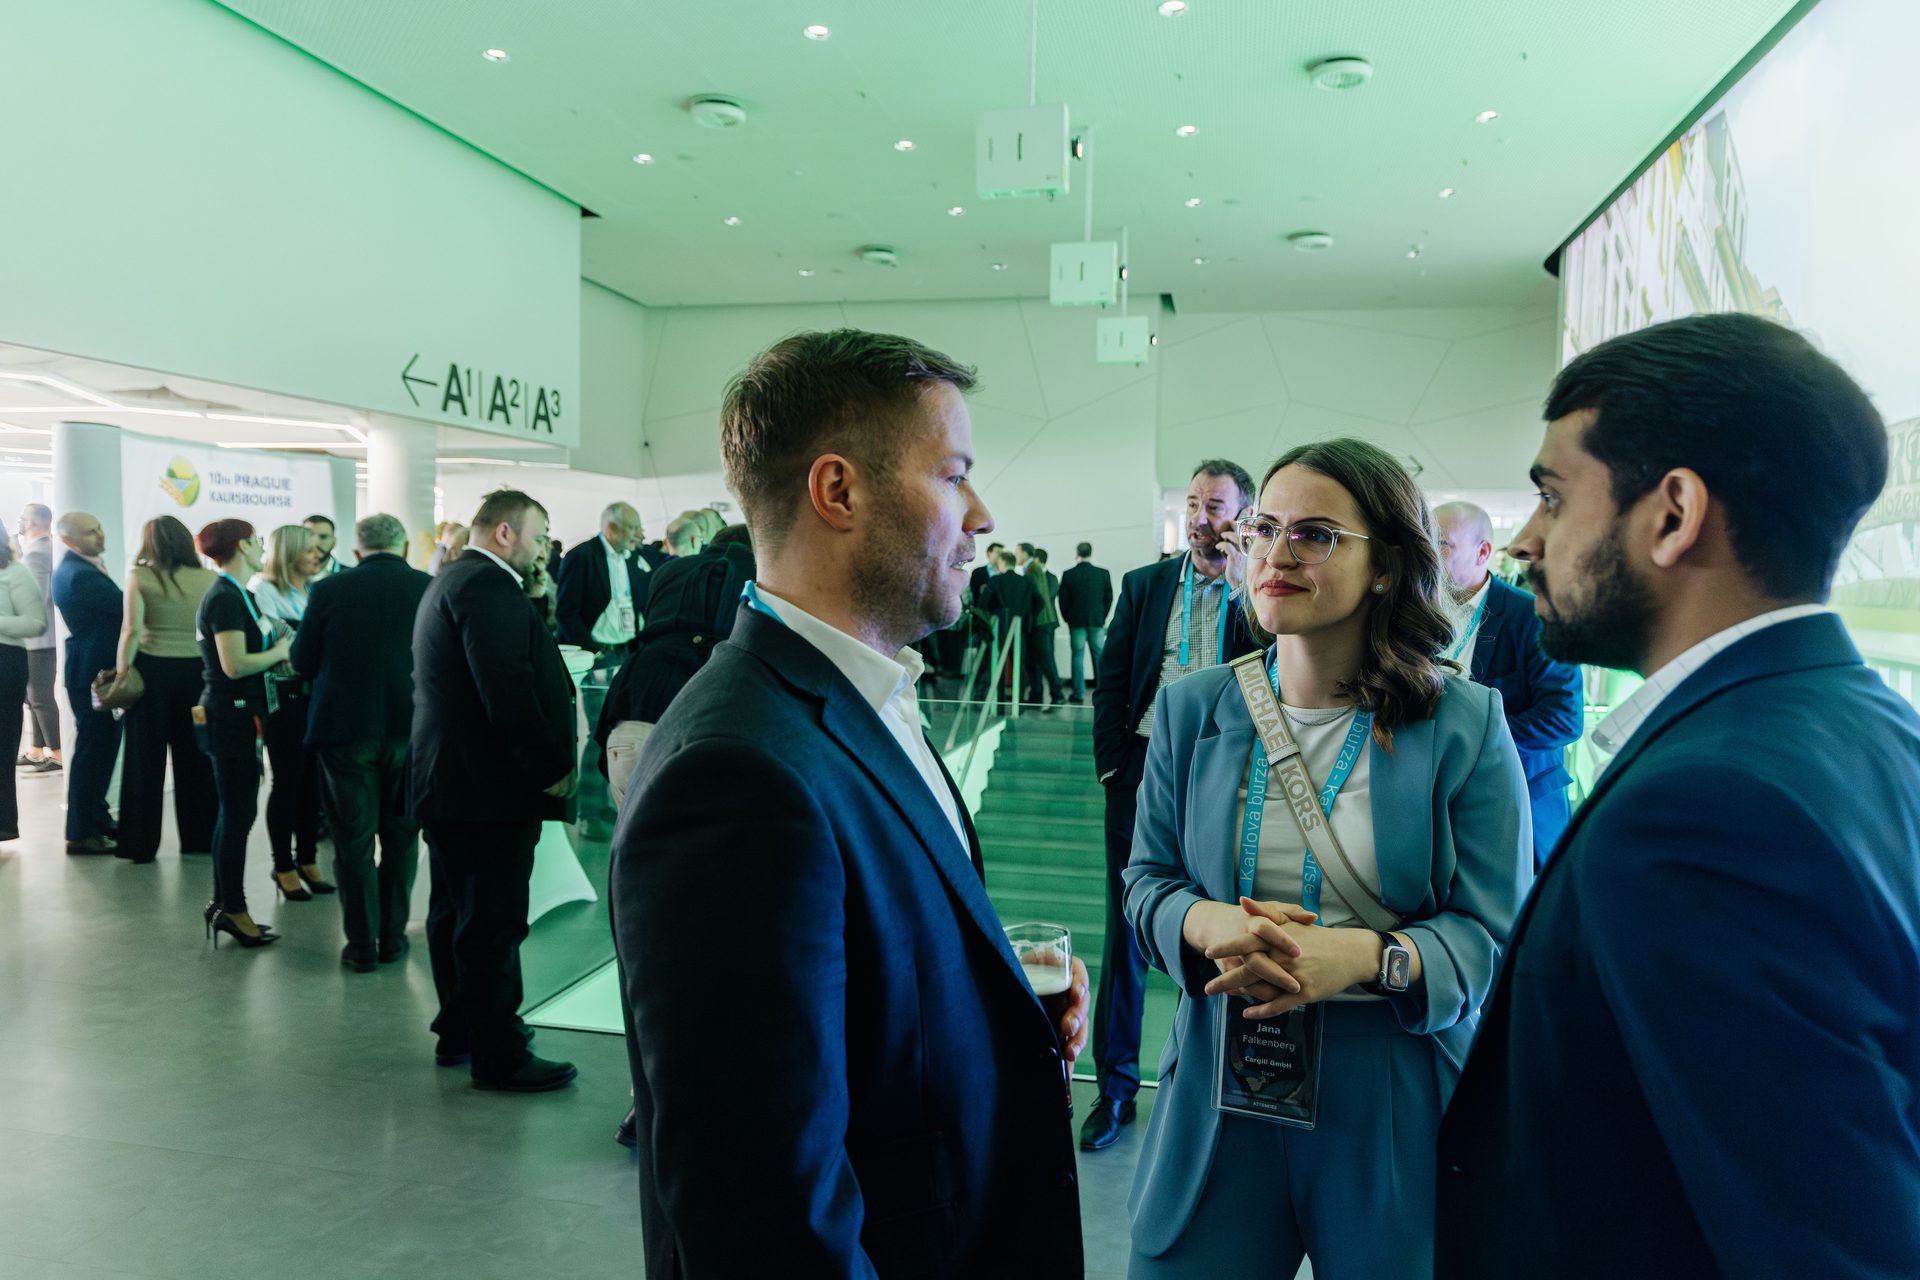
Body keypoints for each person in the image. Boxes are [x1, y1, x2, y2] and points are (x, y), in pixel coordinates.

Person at [1437, 313, 1920, 1278]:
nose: (1526, 541)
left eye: (1552, 497)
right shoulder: (1877, 729)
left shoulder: (1702, 812)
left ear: (1674, 514)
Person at [612, 329, 1088, 1274]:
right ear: (838, 491)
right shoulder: (734, 776)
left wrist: (992, 996)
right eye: (954, 476)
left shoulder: (866, 698)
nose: (982, 515)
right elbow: (764, 1211)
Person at [1120, 438, 1529, 1276]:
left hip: (1392, 1081)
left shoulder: (1463, 724)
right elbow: (1146, 882)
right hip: (1222, 1070)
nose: (1276, 554)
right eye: (1264, 529)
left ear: (1385, 566)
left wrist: (1372, 956)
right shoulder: (1192, 709)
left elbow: (1493, 935)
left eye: (1314, 535)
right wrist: (1206, 922)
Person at [1084, 458, 1262, 1150]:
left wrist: (1245, 583)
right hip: (1140, 771)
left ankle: (1221, 1087)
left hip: (1226, 779)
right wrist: (1112, 767)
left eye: (1215, 506)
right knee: (1126, 929)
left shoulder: (1256, 591)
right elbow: (1112, 680)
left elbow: (1279, 666)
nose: (1199, 518)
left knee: (1226, 927)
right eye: (1192, 504)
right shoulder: (1146, 585)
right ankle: (1115, 1090)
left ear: (1242, 517)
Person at [410, 489, 578, 1092]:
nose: (544, 548)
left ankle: (462, 1028)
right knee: (491, 923)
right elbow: (506, 688)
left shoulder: (457, 579)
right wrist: (548, 766)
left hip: (455, 785)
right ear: (506, 533)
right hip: (485, 791)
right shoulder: (487, 586)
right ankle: (499, 1053)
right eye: (540, 535)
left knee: (457, 914)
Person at [291, 514, 432, 973]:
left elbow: (302, 660)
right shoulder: (429, 588)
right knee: (402, 838)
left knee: (352, 842)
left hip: (345, 731)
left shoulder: (328, 590)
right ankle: (393, 937)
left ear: (356, 551)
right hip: (412, 730)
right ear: (405, 547)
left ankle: (360, 945)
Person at [1433, 501, 1584, 865]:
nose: (1428, 554)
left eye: (1442, 544)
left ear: (1483, 552)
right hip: (1440, 806)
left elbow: (1563, 718)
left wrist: (1473, 742)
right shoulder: (1419, 613)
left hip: (1520, 800)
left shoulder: (1533, 617)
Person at [594, 523, 754, 807]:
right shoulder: (758, 577)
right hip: (709, 718)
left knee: (630, 831)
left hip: (633, 708)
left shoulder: (667, 571)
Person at [195, 520, 292, 949]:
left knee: (236, 813)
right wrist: (280, 652)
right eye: (256, 540)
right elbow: (234, 665)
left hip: (242, 714)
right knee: (237, 814)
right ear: (242, 545)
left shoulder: (241, 595)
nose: (260, 548)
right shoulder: (224, 598)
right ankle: (232, 907)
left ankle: (226, 904)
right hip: (229, 716)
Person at [115, 516, 218, 864]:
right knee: (196, 755)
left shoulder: (140, 576)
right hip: (197, 672)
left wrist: (122, 675)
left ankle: (139, 844)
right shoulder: (209, 578)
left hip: (152, 671)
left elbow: (131, 630)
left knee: (144, 759)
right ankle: (200, 837)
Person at [247, 523, 332, 902]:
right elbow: (281, 645)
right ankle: (283, 864)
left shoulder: (317, 589)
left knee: (313, 783)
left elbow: (301, 647)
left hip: (317, 696)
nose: (318, 554)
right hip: (283, 699)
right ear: (289, 552)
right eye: (309, 548)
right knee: (287, 782)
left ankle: (308, 859)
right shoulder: (263, 590)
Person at [53, 512, 123, 855]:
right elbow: (123, 607)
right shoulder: (79, 574)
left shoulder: (80, 569)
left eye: (99, 528)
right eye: (91, 532)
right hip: (93, 675)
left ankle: (96, 819)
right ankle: (82, 832)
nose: (100, 535)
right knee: (93, 754)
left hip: (92, 671)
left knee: (99, 751)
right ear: (69, 540)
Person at [554, 501, 660, 656]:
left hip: (628, 649)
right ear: (611, 528)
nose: (640, 535)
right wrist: (591, 650)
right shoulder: (581, 556)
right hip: (595, 652)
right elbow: (566, 612)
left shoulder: (631, 556)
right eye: (633, 528)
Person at [0, 528, 49, 842]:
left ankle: (3, 823)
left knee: (2, 747)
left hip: (5, 663)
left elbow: (36, 622)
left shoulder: (14, 572)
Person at [17, 504, 60, 774]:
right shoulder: (46, 549)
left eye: (23, 519)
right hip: (42, 636)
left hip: (37, 638)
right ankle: (36, 749)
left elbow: (34, 598)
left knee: (39, 696)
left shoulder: (36, 554)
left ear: (31, 523)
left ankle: (57, 752)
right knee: (34, 695)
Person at [971, 547, 1038, 697]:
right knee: (1019, 665)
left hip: (999, 629)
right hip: (1020, 630)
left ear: (1002, 562)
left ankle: (999, 698)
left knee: (997, 663)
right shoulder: (1025, 581)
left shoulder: (996, 580)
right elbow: (1039, 601)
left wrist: (993, 613)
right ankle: (1019, 699)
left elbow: (982, 602)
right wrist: (1027, 617)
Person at [1058, 540, 1113, 703]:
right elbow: (1109, 598)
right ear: (1091, 553)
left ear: (1077, 553)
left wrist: (1068, 618)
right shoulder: (1103, 573)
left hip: (1076, 622)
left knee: (1077, 656)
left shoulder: (1069, 574)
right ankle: (1103, 692)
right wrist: (1102, 617)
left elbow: (1062, 601)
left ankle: (1078, 693)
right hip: (1097, 621)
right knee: (1099, 656)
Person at [1026, 547, 1067, 706]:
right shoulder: (1043, 576)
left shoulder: (1050, 578)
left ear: (1036, 559)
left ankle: (1057, 693)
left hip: (1044, 623)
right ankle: (1036, 693)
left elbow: (1045, 598)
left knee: (1046, 659)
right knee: (1034, 660)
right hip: (1039, 624)